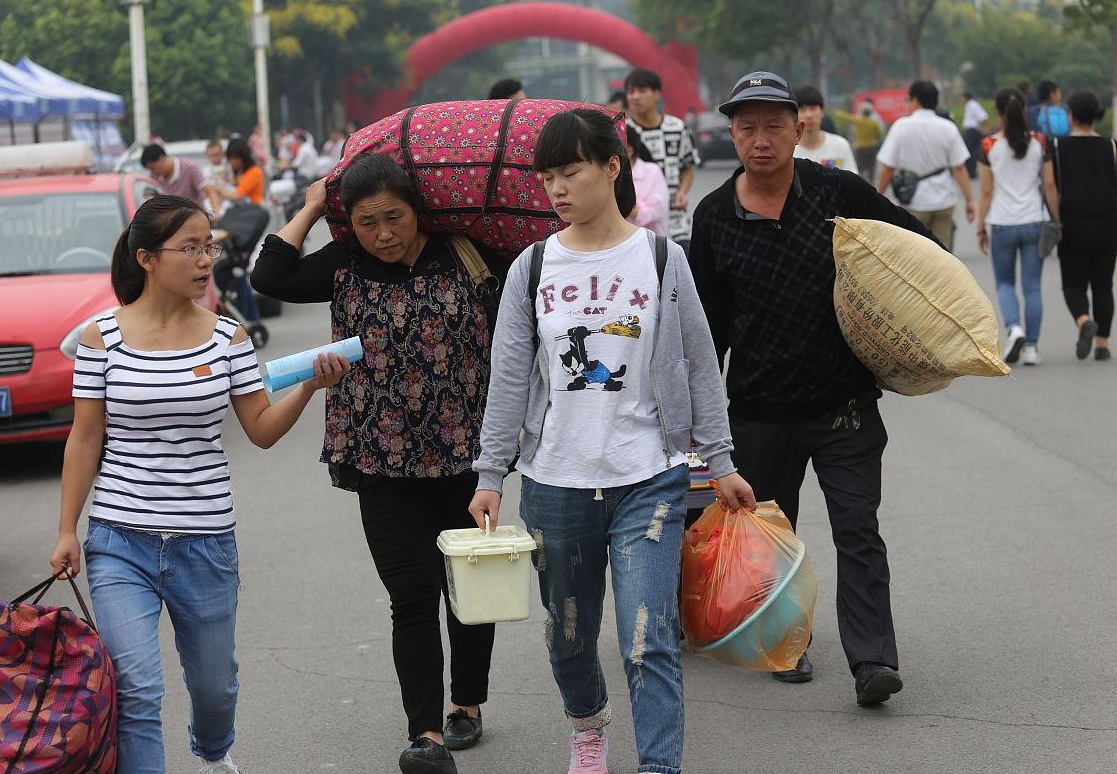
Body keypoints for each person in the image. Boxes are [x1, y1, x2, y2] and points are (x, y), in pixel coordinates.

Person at [469, 107, 755, 774]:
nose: (558, 190)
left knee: (648, 638)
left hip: (649, 476)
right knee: (569, 638)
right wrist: (490, 475)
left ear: (612, 166)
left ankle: (659, 767)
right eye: (547, 179)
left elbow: (698, 362)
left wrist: (720, 460)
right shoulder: (532, 268)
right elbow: (509, 375)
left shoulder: (660, 257)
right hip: (555, 482)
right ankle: (588, 728)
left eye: (570, 172)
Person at [49, 195, 348, 774]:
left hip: (205, 541)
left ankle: (213, 753)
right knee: (135, 690)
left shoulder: (228, 337)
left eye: (209, 245)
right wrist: (67, 529)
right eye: (190, 247)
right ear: (147, 258)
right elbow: (85, 440)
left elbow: (259, 429)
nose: (206, 258)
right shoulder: (99, 339)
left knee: (215, 689)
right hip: (119, 541)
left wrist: (309, 388)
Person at [251, 155, 509, 774]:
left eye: (394, 217)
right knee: (412, 596)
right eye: (367, 222)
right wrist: (314, 207)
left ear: (420, 209)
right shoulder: (343, 264)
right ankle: (425, 733)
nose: (383, 234)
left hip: (466, 459)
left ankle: (466, 702)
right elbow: (270, 276)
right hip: (378, 459)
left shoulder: (468, 255)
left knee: (468, 590)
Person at [691, 70, 941, 706]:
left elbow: (916, 244)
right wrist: (699, 428)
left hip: (843, 406)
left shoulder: (838, 190)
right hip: (758, 410)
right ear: (732, 135)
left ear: (798, 129)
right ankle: (787, 643)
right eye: (747, 128)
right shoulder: (715, 216)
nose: (761, 139)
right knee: (774, 536)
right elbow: (707, 330)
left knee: (857, 528)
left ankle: (872, 661)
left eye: (774, 126)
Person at [976, 87, 1058, 367]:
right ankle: (1032, 348)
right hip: (1034, 220)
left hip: (1001, 223)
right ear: (1024, 110)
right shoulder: (1040, 142)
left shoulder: (989, 146)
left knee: (1005, 282)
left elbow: (986, 192)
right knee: (1032, 287)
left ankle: (1015, 328)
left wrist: (979, 227)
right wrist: (1055, 220)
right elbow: (1049, 185)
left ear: (998, 113)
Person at [1049, 89, 1117, 362]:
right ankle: (1102, 343)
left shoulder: (1058, 147)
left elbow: (1052, 186)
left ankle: (1083, 320)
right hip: (1108, 225)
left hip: (1072, 223)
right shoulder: (1111, 146)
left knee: (1073, 285)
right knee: (1103, 285)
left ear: (1071, 116)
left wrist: (1055, 220)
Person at [877, 80, 976, 252]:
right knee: (942, 257)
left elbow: (887, 169)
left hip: (914, 203)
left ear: (915, 100)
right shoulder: (948, 128)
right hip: (944, 201)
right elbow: (959, 168)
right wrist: (969, 200)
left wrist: (878, 198)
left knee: (916, 259)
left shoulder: (901, 127)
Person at [624, 68, 700, 253]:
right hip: (640, 226)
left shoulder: (678, 128)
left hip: (676, 221)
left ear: (657, 94)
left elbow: (687, 166)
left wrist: (682, 192)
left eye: (642, 91)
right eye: (631, 91)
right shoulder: (624, 132)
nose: (635, 97)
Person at [793, 85, 858, 174]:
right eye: (802, 110)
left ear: (822, 111)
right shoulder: (789, 150)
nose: (809, 115)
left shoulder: (840, 146)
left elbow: (853, 182)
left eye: (813, 109)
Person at [626, 122, 671, 236]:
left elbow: (656, 212)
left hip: (650, 245)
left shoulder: (652, 171)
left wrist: (623, 203)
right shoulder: (604, 175)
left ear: (630, 150)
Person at [204, 137, 265, 219]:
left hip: (251, 214)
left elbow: (236, 196)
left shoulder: (254, 172)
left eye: (235, 158)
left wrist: (218, 188)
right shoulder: (235, 171)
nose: (232, 162)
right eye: (230, 159)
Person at [141, 143, 207, 203]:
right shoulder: (154, 178)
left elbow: (208, 190)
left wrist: (216, 213)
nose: (153, 173)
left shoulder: (188, 168)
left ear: (162, 158)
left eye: (153, 168)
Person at [835, 101, 884, 182]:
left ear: (862, 112)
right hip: (872, 147)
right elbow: (879, 134)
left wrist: (839, 113)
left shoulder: (858, 121)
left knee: (860, 167)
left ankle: (861, 182)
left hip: (861, 148)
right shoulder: (874, 123)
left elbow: (848, 117)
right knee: (871, 166)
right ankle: (871, 183)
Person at [961, 91, 989, 179]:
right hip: (970, 131)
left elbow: (983, 116)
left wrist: (986, 128)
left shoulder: (973, 105)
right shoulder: (969, 105)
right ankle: (971, 172)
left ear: (966, 97)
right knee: (971, 151)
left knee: (969, 151)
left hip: (972, 131)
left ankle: (971, 172)